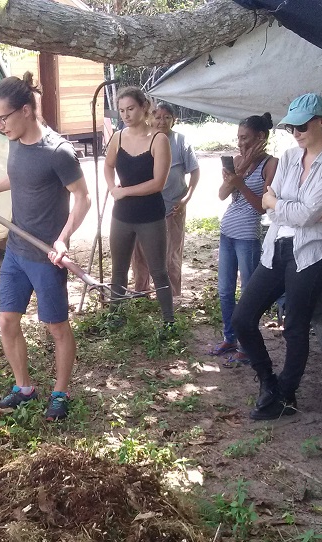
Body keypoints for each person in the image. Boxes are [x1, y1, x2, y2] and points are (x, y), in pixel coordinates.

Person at [0, 73, 91, 422]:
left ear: (27, 111)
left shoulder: (58, 152)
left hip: (46, 255)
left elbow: (83, 198)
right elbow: (19, 177)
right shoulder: (16, 140)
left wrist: (63, 240)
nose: (0, 126)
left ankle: (60, 394)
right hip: (16, 248)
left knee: (56, 327)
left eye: (4, 118)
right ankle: (24, 389)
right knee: (6, 320)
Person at [231, 93, 322, 420]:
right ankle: (269, 383)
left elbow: (295, 209)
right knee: (243, 318)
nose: (296, 132)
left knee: (295, 327)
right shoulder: (287, 157)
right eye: (290, 127)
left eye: (302, 125)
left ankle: (286, 394)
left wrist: (283, 205)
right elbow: (288, 209)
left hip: (314, 250)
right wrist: (295, 209)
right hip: (278, 245)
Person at [210, 112, 279, 365]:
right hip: (227, 232)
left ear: (261, 137)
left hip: (248, 236)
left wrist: (240, 183)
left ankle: (248, 346)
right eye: (238, 138)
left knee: (248, 293)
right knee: (225, 291)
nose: (240, 143)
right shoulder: (237, 160)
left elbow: (263, 207)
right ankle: (230, 338)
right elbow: (221, 194)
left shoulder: (271, 164)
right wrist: (238, 170)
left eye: (246, 138)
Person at [104, 87, 176, 325]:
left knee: (158, 270)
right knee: (119, 269)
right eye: (122, 110)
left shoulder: (159, 139)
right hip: (121, 215)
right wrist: (111, 186)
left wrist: (124, 191)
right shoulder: (118, 137)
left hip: (150, 215)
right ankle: (115, 319)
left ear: (144, 107)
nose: (125, 115)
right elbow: (108, 166)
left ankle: (168, 322)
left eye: (131, 109)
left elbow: (158, 183)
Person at [130, 102, 200, 300]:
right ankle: (141, 294)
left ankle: (171, 298)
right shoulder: (141, 139)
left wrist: (186, 198)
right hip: (143, 208)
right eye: (157, 117)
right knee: (141, 254)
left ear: (173, 120)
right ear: (149, 118)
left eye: (166, 117)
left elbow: (195, 171)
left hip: (172, 207)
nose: (161, 121)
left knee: (170, 255)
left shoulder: (180, 141)